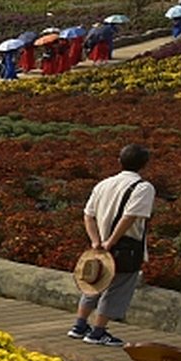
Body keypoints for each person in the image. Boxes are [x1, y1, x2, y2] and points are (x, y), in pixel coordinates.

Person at [68, 144, 155, 347]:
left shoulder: (104, 184)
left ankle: (79, 326)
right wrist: (111, 242)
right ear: (144, 164)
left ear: (119, 160)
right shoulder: (143, 188)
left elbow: (88, 214)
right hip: (125, 246)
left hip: (99, 245)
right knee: (117, 288)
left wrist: (96, 241)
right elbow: (130, 217)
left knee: (94, 284)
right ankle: (98, 332)